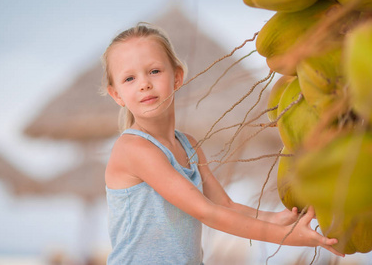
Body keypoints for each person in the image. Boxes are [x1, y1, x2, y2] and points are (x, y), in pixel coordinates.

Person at [101, 23, 344, 264]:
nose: (144, 83)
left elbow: (224, 204)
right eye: (130, 78)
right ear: (117, 95)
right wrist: (288, 237)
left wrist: (274, 219)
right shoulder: (133, 148)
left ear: (177, 77)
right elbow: (206, 212)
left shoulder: (189, 145)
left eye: (154, 71)